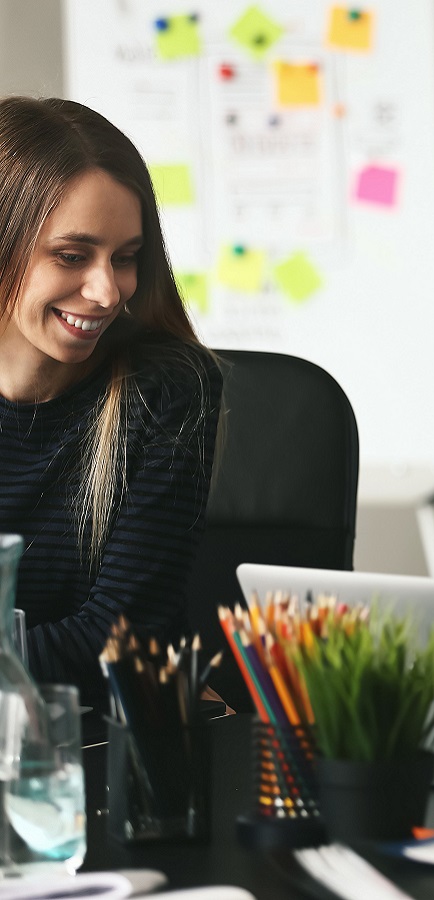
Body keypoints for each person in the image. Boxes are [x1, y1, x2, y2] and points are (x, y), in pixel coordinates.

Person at [0, 97, 221, 706]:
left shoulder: (169, 387)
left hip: (104, 744)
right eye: (71, 256)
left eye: (126, 258)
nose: (105, 292)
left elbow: (119, 638)